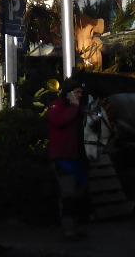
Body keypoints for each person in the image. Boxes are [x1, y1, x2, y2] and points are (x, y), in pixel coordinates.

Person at [47, 84, 90, 240]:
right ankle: (68, 229)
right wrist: (74, 108)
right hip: (62, 158)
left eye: (80, 93)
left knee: (79, 192)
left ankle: (75, 226)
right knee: (68, 193)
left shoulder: (79, 109)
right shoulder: (57, 107)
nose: (79, 96)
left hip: (77, 157)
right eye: (76, 92)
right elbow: (59, 121)